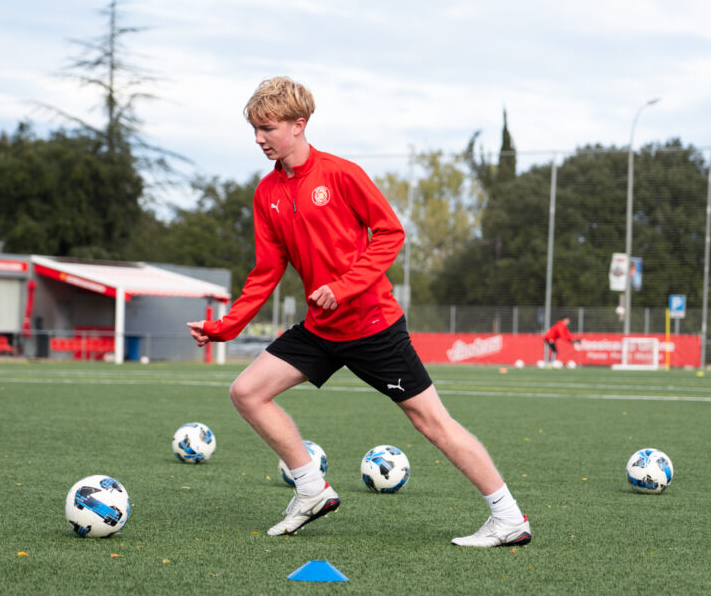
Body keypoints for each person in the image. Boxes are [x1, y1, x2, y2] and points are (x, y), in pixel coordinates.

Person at [187, 76, 530, 548]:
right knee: (247, 392)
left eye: (267, 128)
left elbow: (390, 232)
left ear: (298, 124)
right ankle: (311, 489)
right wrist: (224, 328)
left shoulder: (341, 174)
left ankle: (508, 518)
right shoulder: (266, 193)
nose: (259, 139)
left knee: (431, 422)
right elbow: (266, 270)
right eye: (255, 130)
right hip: (320, 329)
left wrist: (344, 287)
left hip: (373, 326)